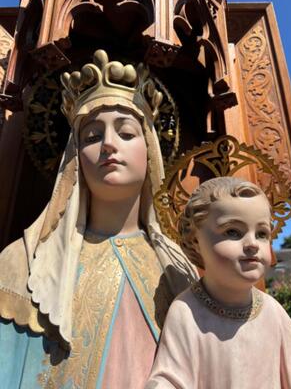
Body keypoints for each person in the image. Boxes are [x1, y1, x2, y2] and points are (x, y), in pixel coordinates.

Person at [0, 49, 197, 388]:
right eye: (92, 136)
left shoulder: (180, 271)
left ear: (149, 150)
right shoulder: (24, 263)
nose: (108, 144)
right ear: (75, 157)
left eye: (125, 132)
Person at [146, 177, 291, 389]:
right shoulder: (187, 312)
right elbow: (171, 378)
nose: (252, 244)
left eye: (262, 234)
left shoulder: (273, 313)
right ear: (195, 241)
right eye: (233, 232)